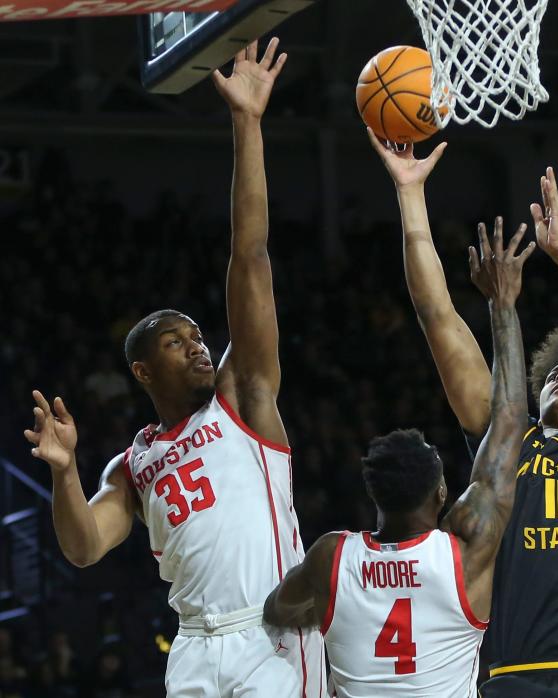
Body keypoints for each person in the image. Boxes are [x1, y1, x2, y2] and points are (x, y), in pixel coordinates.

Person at [23, 39, 323, 697]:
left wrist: (247, 122)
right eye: (174, 341)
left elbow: (251, 256)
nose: (196, 345)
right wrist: (66, 472)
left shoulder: (241, 398)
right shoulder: (131, 465)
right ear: (141, 371)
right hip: (191, 643)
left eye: (196, 335)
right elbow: (81, 548)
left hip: (269, 632)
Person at [368, 129, 558, 696]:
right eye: (556, 372)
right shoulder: (507, 443)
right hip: (519, 676)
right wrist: (411, 195)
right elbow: (438, 317)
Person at [263, 220, 532, 696]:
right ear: (443, 492)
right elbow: (509, 418)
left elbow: (277, 612)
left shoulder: (332, 555)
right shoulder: (465, 550)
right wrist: (502, 305)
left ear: (374, 492)